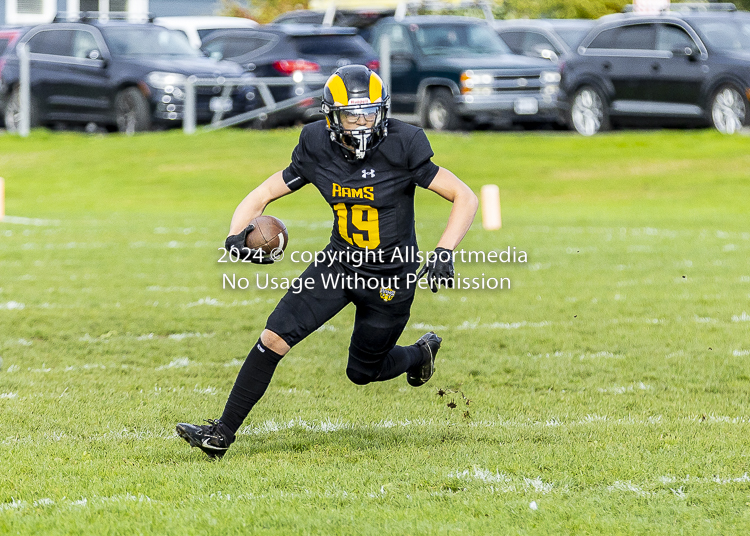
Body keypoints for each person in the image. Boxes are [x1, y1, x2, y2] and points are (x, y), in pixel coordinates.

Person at [176, 65, 478, 459]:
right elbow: (264, 192)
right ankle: (221, 434)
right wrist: (235, 237)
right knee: (273, 337)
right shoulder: (316, 143)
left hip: (390, 275)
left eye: (369, 113)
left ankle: (420, 353)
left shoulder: (404, 143)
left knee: (362, 372)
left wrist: (444, 251)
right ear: (331, 116)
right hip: (338, 263)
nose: (361, 123)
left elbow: (465, 196)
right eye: (352, 115)